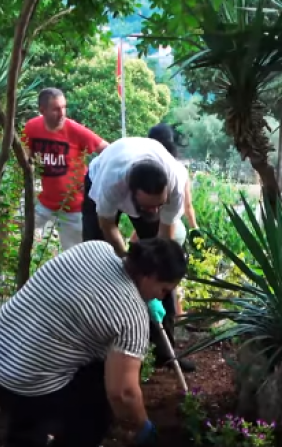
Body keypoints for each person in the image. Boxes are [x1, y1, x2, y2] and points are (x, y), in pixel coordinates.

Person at [0, 237, 186, 447]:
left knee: (53, 360)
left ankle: (25, 434)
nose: (159, 298)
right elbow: (123, 394)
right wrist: (142, 427)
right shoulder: (132, 317)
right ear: (150, 275)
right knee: (97, 405)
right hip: (21, 387)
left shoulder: (94, 249)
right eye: (164, 290)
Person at [82, 136, 196, 372]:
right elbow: (107, 226)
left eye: (159, 205)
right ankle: (99, 351)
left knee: (163, 276)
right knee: (97, 261)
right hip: (99, 183)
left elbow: (164, 240)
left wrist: (155, 280)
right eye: (148, 207)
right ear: (132, 193)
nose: (154, 210)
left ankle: (166, 352)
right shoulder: (111, 182)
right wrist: (126, 259)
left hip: (145, 185)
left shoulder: (174, 185)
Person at [23, 88, 108, 251]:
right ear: (43, 110)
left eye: (64, 107)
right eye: (56, 109)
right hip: (44, 203)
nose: (62, 113)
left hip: (73, 206)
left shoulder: (75, 130)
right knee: (20, 236)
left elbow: (107, 150)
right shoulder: (32, 128)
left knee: (73, 254)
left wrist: (94, 178)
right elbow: (25, 156)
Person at [140, 123, 201, 316]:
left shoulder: (150, 168)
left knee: (157, 273)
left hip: (166, 227)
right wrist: (195, 229)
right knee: (169, 276)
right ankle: (177, 315)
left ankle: (165, 318)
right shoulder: (180, 168)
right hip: (178, 226)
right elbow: (188, 206)